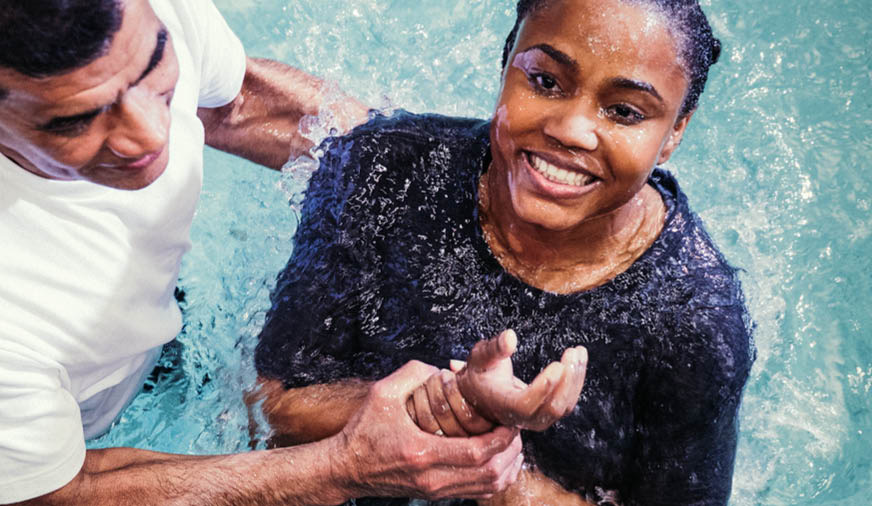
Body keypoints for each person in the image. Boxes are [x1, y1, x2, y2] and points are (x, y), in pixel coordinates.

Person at [0, 0, 526, 504]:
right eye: (75, 121)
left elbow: (235, 106)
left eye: (155, 63)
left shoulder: (139, 11)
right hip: (64, 443)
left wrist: (471, 187)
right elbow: (55, 494)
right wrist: (340, 467)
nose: (149, 134)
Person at [254, 0, 756, 504]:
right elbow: (270, 404)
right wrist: (446, 406)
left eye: (624, 112)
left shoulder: (694, 320)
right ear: (505, 61)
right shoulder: (383, 168)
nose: (570, 129)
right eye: (545, 82)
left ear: (675, 133)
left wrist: (493, 465)